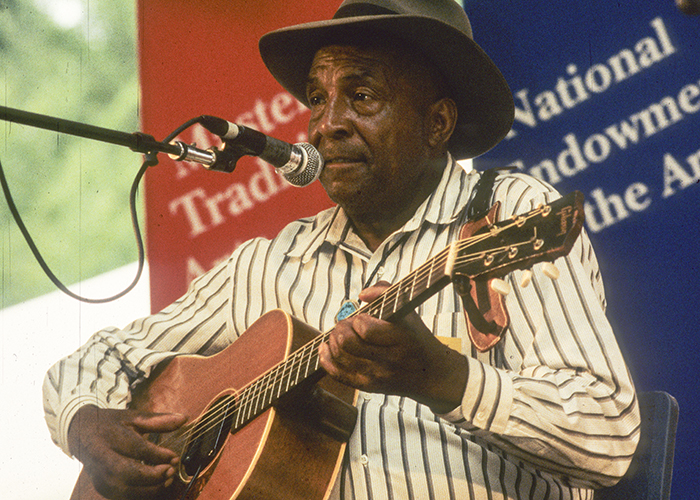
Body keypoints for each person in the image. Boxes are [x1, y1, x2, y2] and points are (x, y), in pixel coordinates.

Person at [43, 1, 641, 499]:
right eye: (317, 98)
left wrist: (445, 378)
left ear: (438, 123)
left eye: (360, 96)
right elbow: (99, 358)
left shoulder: (509, 213)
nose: (326, 124)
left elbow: (609, 434)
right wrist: (86, 424)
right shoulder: (268, 264)